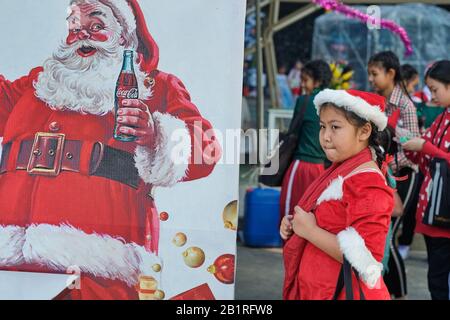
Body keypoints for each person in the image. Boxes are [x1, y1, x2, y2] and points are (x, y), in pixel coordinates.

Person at [0, 0, 221, 299]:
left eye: (96, 25)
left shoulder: (155, 86)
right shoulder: (37, 84)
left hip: (98, 274)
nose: (83, 34)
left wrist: (156, 133)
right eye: (75, 27)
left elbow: (206, 150)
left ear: (124, 34)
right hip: (10, 267)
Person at [281, 89, 394, 300]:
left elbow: (367, 259)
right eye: (322, 126)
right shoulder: (341, 169)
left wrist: (310, 231)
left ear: (364, 131)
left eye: (335, 127)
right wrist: (296, 225)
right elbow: (328, 221)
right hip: (320, 288)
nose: (325, 136)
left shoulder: (367, 182)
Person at [368, 51, 421, 299]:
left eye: (374, 74)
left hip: (403, 175)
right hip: (381, 173)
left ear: (390, 74)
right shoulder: (376, 101)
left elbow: (414, 149)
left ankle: (399, 294)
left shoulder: (406, 106)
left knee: (387, 236)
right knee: (378, 235)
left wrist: (388, 163)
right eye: (369, 73)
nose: (370, 79)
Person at [402, 60, 450, 300]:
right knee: (436, 277)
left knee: (440, 280)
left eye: (435, 89)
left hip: (444, 213)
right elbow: (427, 156)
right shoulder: (442, 118)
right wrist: (411, 146)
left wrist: (425, 146)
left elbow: (435, 154)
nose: (432, 95)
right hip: (434, 210)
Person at [279, 60, 331, 223]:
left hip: (301, 166)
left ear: (317, 81)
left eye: (305, 80)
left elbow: (294, 131)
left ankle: (289, 249)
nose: (302, 84)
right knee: (316, 217)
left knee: (289, 216)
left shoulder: (305, 101)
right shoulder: (334, 103)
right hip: (323, 169)